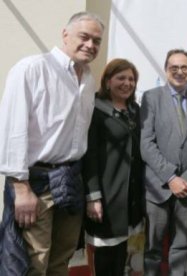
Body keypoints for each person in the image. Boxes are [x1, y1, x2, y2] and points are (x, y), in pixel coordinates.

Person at [0, 12, 104, 276]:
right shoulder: (33, 69)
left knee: (62, 259)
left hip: (71, 179)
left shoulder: (89, 81)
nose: (90, 45)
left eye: (96, 41)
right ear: (65, 34)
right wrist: (20, 187)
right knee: (32, 262)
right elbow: (12, 129)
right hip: (36, 183)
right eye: (84, 37)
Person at [140, 49, 187, 275]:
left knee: (180, 245)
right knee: (153, 246)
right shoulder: (151, 98)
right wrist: (171, 177)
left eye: (184, 68)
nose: (179, 72)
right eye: (174, 67)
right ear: (166, 69)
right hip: (158, 188)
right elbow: (146, 143)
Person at [82, 59, 145, 275]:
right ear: (108, 82)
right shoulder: (95, 110)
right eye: (121, 78)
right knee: (105, 256)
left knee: (120, 254)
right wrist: (93, 196)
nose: (127, 83)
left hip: (129, 197)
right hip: (106, 196)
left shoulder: (136, 110)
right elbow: (89, 156)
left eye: (131, 79)